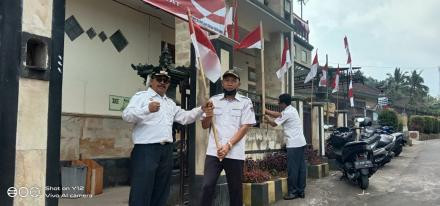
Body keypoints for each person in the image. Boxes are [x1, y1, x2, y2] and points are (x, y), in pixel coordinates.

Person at [122, 68, 212, 206]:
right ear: (152, 81)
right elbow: (126, 116)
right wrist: (147, 109)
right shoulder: (141, 97)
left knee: (162, 189)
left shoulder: (169, 103)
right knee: (142, 189)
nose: (162, 83)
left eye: (166, 81)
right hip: (146, 149)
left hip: (166, 150)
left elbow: (185, 117)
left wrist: (201, 109)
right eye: (159, 79)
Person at [199, 69, 256, 206]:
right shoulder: (213, 100)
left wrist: (228, 145)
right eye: (227, 80)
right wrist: (208, 114)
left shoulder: (245, 102)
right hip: (214, 152)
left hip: (234, 153)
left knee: (235, 191)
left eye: (233, 81)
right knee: (207, 186)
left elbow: (245, 127)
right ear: (222, 83)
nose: (230, 83)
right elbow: (205, 126)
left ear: (238, 84)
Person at [264, 93, 307, 200]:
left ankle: (293, 192)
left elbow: (274, 123)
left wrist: (267, 119)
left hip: (293, 144)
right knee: (301, 168)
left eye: (279, 102)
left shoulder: (287, 112)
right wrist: (267, 111)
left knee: (293, 169)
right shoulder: (292, 110)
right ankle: (301, 191)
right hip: (301, 143)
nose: (278, 104)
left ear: (283, 103)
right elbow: (279, 115)